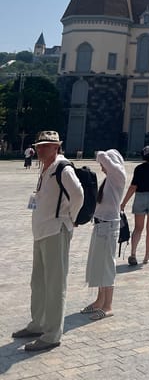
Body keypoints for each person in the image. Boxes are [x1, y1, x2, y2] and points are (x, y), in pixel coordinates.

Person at [12, 130, 84, 352]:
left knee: (54, 284)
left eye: (45, 146)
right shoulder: (46, 168)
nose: (40, 149)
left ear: (56, 147)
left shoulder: (63, 168)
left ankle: (52, 334)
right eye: (39, 145)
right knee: (39, 282)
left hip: (55, 231)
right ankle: (38, 324)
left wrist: (69, 218)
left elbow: (78, 195)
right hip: (42, 232)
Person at [82, 149, 127, 320]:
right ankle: (100, 300)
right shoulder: (110, 179)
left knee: (107, 266)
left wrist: (104, 155)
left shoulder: (118, 175)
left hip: (109, 228)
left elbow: (101, 155)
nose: (102, 167)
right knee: (98, 265)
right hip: (101, 225)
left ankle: (108, 305)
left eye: (103, 165)